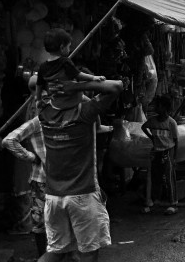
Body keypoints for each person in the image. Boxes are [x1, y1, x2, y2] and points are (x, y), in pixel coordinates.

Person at [38, 78, 123, 262]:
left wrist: (61, 82)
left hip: (54, 196)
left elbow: (31, 81)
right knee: (89, 251)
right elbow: (116, 86)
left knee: (56, 251)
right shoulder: (85, 113)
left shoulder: (44, 112)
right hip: (82, 194)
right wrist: (79, 84)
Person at [2, 78, 48, 256]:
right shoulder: (37, 117)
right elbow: (9, 140)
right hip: (43, 179)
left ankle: (49, 255)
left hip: (53, 179)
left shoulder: (39, 109)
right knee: (41, 221)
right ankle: (44, 255)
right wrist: (30, 156)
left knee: (45, 221)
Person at [36, 29, 105, 109]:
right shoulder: (65, 62)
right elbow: (79, 75)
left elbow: (39, 85)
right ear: (62, 47)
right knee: (93, 106)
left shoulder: (42, 67)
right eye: (68, 47)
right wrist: (93, 77)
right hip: (69, 97)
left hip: (55, 100)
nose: (69, 49)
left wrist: (38, 99)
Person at [141, 95, 179, 215]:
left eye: (159, 106)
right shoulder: (152, 121)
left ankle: (173, 203)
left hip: (168, 151)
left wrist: (174, 157)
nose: (157, 108)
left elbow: (176, 141)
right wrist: (152, 137)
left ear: (165, 108)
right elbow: (144, 127)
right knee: (155, 176)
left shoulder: (171, 123)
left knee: (169, 178)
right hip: (157, 151)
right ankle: (154, 200)